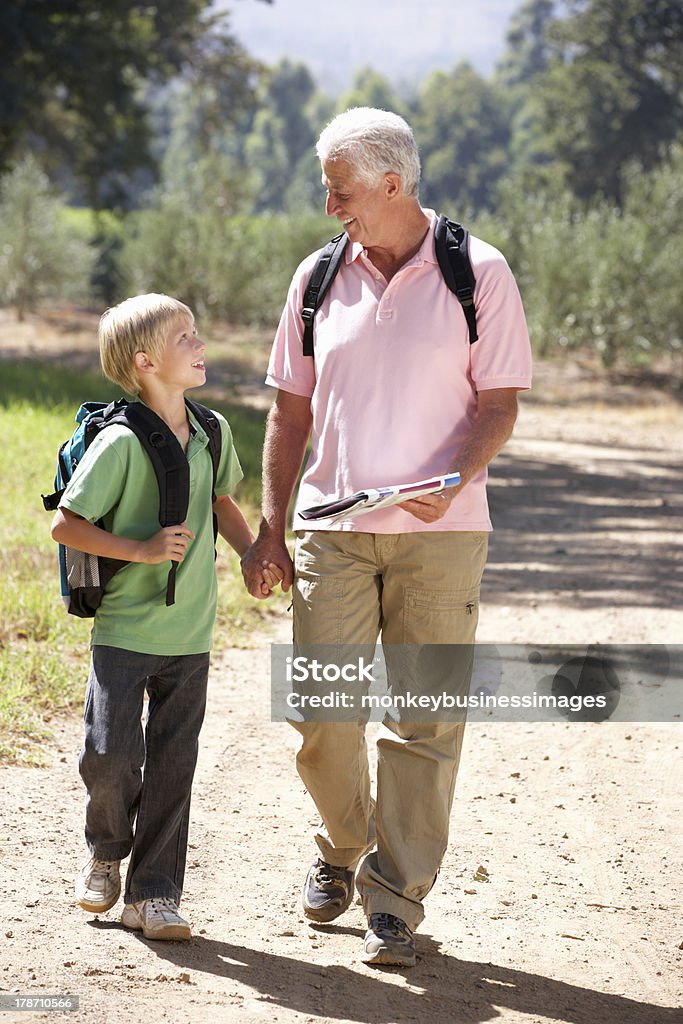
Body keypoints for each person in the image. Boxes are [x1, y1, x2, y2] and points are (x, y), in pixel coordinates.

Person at [241, 107, 532, 967]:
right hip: (331, 531)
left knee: (426, 720)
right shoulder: (316, 277)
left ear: (391, 184)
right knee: (321, 710)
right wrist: (268, 524)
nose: (328, 203)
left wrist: (458, 476)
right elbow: (287, 411)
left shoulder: (477, 272)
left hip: (442, 539)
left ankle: (395, 896)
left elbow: (499, 405)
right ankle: (341, 846)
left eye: (339, 188)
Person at [51, 293, 280, 941]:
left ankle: (154, 895)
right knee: (110, 755)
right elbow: (66, 525)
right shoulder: (121, 442)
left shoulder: (211, 430)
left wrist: (251, 553)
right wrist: (141, 550)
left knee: (174, 763)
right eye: (186, 337)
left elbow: (221, 501)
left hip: (190, 633)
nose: (201, 344)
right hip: (124, 629)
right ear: (146, 361)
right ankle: (105, 851)